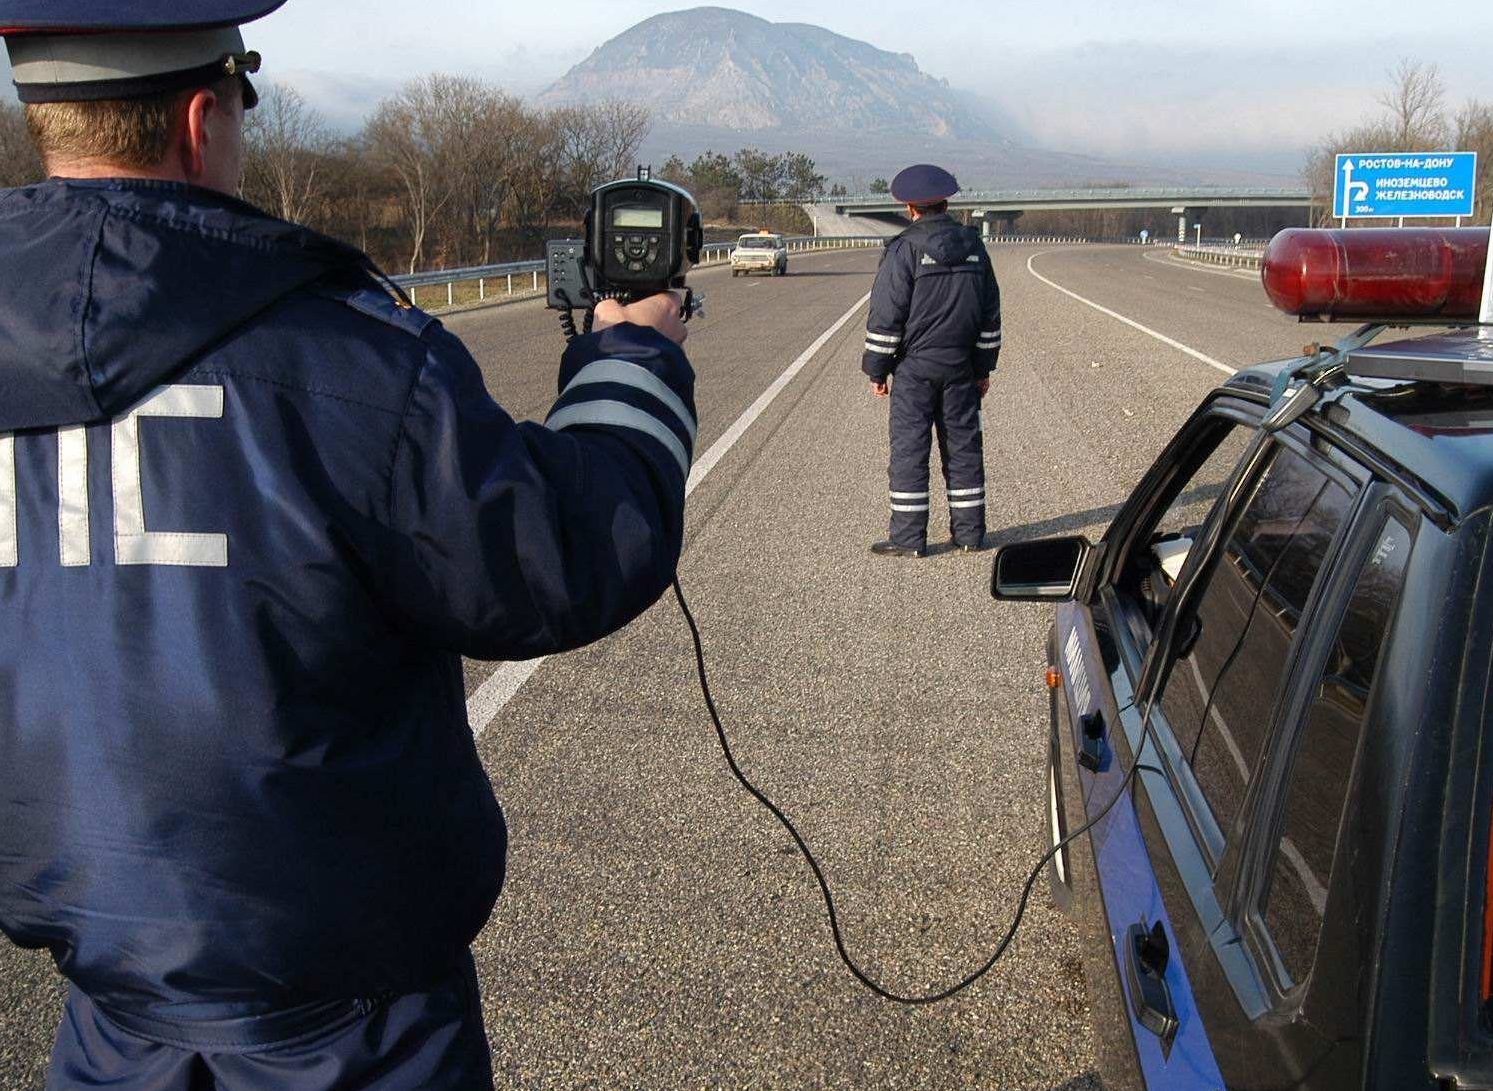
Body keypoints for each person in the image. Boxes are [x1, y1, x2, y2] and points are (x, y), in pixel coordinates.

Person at [0, 4, 697, 1088]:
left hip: (104, 997)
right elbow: (561, 558)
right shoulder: (350, 352)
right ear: (203, 114)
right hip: (348, 1021)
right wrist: (632, 360)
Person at [862, 164, 1002, 558]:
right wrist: (982, 367)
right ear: (946, 202)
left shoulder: (904, 249)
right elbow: (990, 314)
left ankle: (909, 540)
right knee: (964, 449)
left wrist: (877, 368)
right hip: (960, 368)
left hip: (915, 371)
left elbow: (886, 317)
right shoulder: (975, 246)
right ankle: (971, 535)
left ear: (910, 207)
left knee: (909, 450)